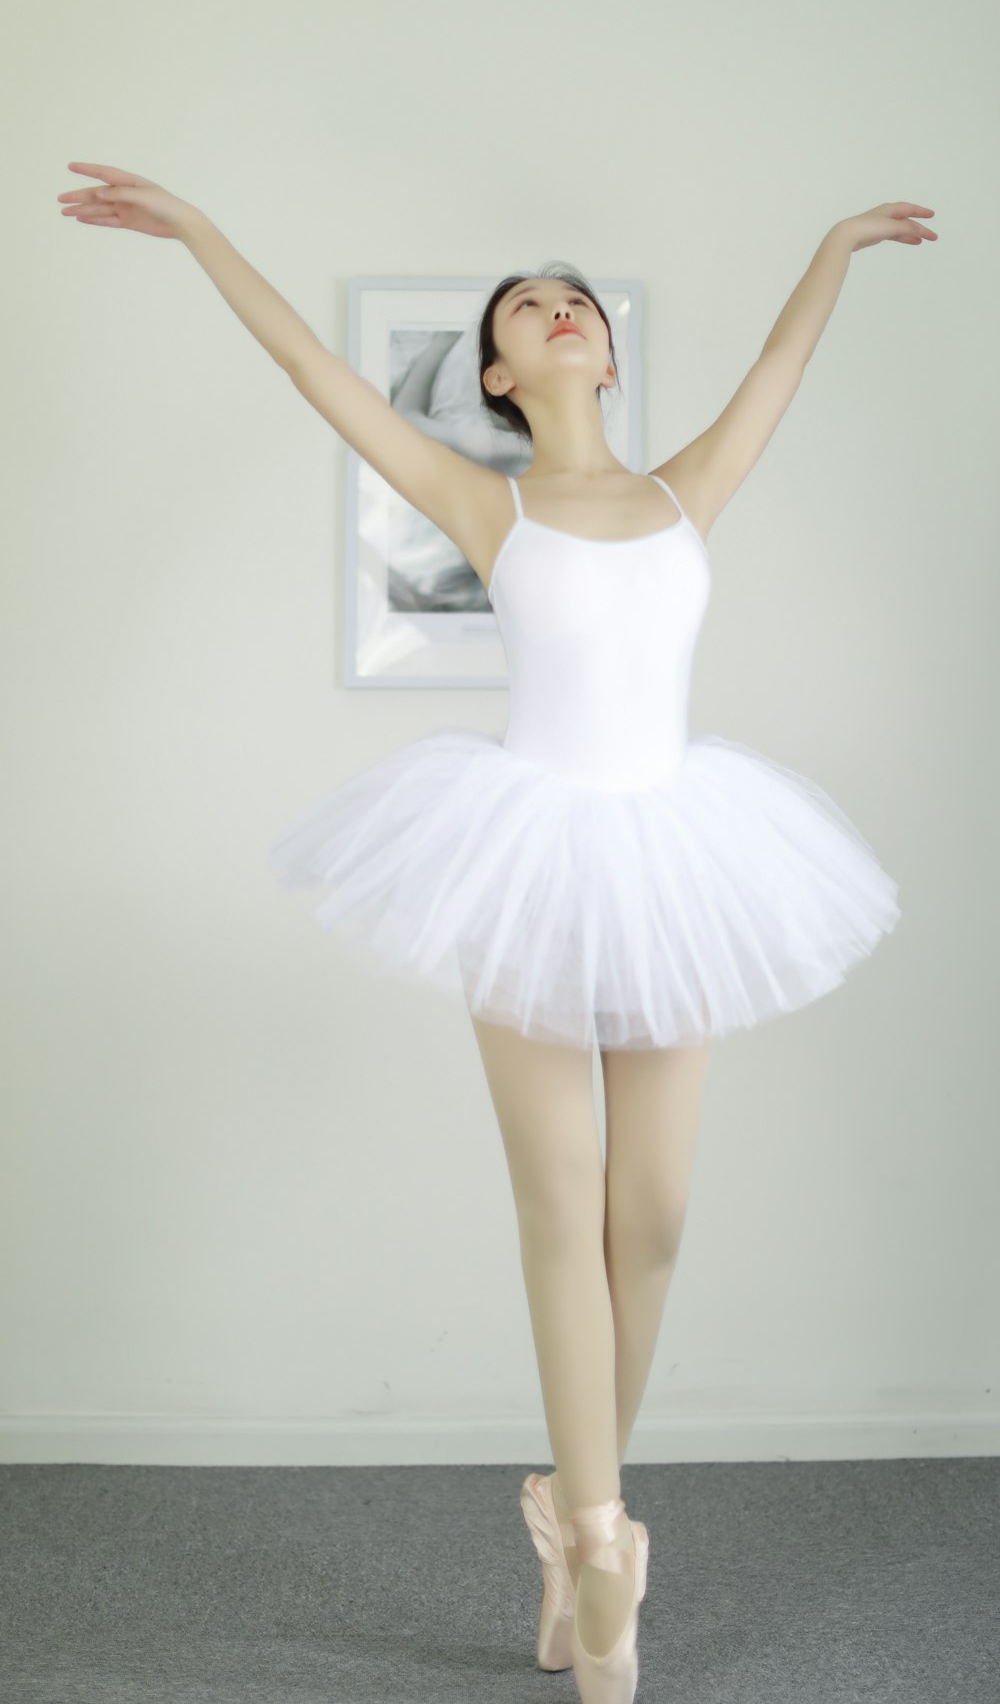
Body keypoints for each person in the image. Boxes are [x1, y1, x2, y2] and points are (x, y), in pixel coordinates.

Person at [57, 164, 935, 1704]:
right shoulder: (487, 497)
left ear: (603, 353)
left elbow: (780, 369)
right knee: (564, 1197)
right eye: (525, 305)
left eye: (576, 299)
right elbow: (312, 372)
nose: (559, 305)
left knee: (652, 1214)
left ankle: (560, 1501)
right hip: (523, 854)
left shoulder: (683, 491)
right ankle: (600, 1540)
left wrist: (833, 246)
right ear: (496, 373)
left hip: (674, 856)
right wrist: (200, 232)